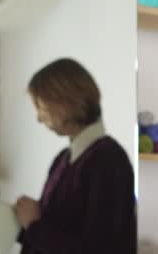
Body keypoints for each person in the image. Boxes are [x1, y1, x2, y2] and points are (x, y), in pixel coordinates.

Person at [14, 58, 136, 253]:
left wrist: (34, 225)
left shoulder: (109, 161)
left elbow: (101, 249)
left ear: (64, 103)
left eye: (40, 105)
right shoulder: (63, 158)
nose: (38, 118)